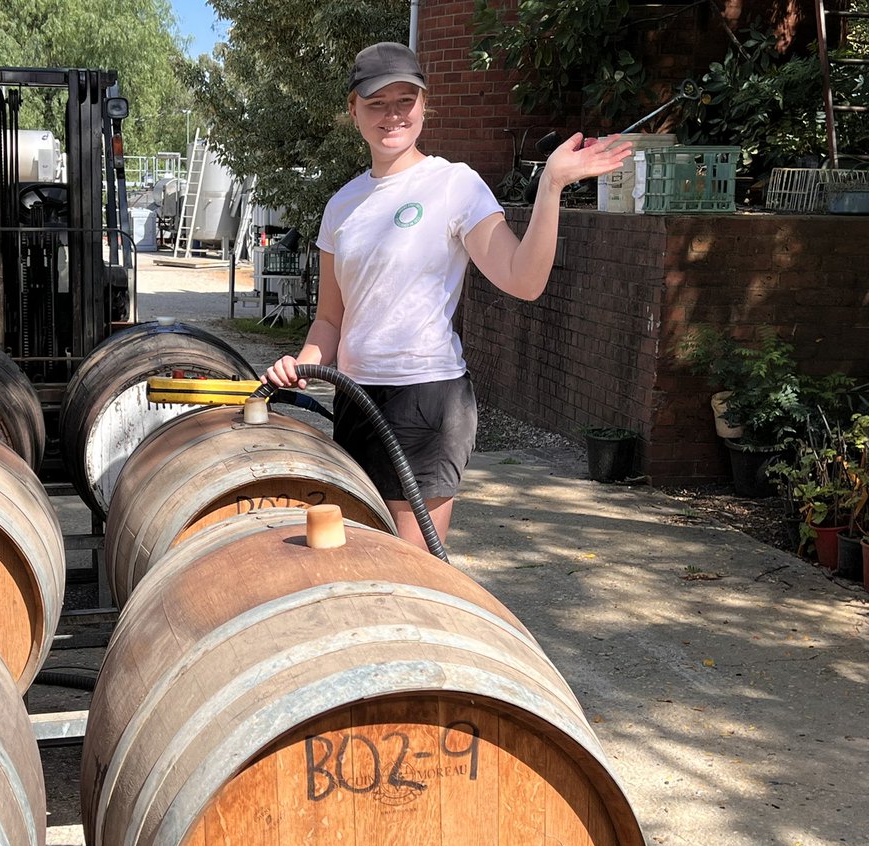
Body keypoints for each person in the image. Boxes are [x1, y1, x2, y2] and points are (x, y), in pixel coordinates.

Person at [262, 41, 632, 550]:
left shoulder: (455, 185)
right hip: (355, 398)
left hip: (426, 397)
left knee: (412, 567)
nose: (392, 115)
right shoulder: (341, 205)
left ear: (423, 104)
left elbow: (523, 279)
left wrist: (551, 188)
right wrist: (300, 363)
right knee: (357, 554)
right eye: (376, 102)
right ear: (353, 110)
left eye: (405, 101)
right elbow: (330, 319)